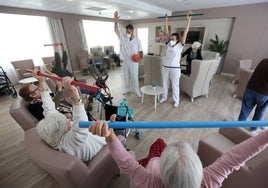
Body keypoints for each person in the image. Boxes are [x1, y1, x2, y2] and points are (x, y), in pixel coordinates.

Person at [89, 115, 268, 188]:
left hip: (151, 164)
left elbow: (127, 164)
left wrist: (110, 136)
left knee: (158, 144)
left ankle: (157, 152)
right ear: (197, 169)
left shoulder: (150, 180)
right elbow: (236, 157)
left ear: (161, 172)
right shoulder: (207, 182)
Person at [31, 68, 106, 162]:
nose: (67, 119)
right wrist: (73, 93)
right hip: (104, 149)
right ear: (60, 132)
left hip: (95, 134)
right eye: (65, 122)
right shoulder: (70, 141)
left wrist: (41, 81)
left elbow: (48, 108)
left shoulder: (53, 134)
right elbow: (80, 121)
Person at [158, 11, 192, 108]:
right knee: (164, 84)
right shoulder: (169, 44)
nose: (171, 40)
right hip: (165, 67)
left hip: (175, 69)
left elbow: (185, 32)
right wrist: (166, 20)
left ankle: (176, 100)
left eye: (173, 39)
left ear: (177, 40)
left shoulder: (180, 46)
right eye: (171, 38)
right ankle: (164, 97)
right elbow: (166, 31)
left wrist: (188, 20)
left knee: (175, 85)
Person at [114, 11, 143, 98]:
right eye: (126, 31)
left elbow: (141, 51)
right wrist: (116, 22)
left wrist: (140, 58)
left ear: (132, 31)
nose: (127, 33)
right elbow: (116, 30)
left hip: (134, 62)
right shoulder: (123, 37)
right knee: (126, 76)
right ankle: (127, 89)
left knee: (134, 77)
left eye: (129, 31)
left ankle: (137, 91)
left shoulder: (138, 40)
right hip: (126, 61)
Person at [238, 58, 268, 132]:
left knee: (245, 109)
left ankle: (238, 126)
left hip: (250, 88)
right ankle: (253, 129)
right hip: (263, 93)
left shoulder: (264, 60)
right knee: (260, 111)